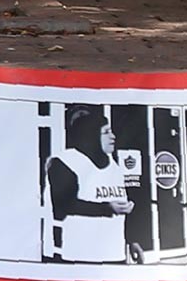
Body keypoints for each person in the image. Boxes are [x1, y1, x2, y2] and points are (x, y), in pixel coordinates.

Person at [44, 105, 139, 265]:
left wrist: (132, 240)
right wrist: (107, 208)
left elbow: (120, 208)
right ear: (90, 135)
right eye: (106, 132)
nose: (113, 136)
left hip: (114, 254)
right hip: (80, 256)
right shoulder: (66, 162)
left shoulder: (113, 165)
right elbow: (62, 206)